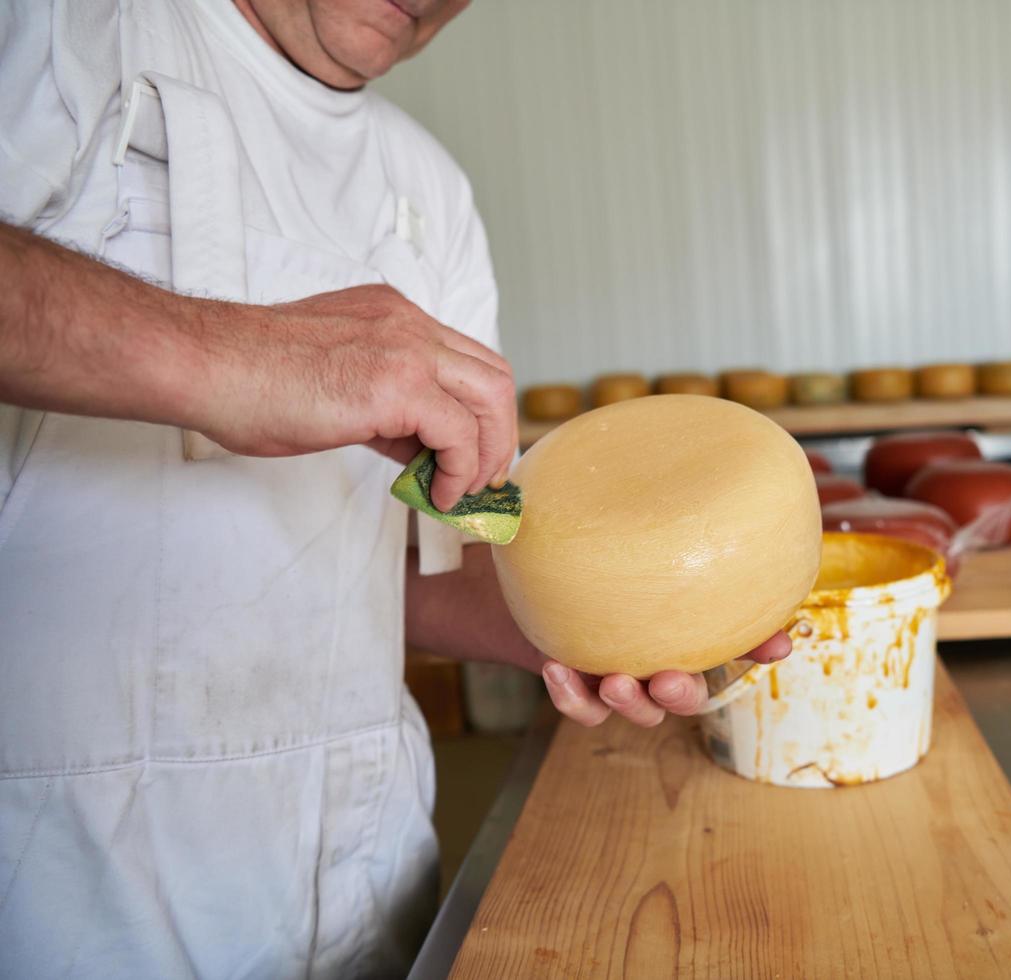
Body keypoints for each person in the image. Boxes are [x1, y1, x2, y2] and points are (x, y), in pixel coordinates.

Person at [0, 1, 789, 975]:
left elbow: (411, 569)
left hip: (366, 887)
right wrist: (222, 356)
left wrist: (610, 628)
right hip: (61, 898)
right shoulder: (50, 34)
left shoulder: (431, 190)